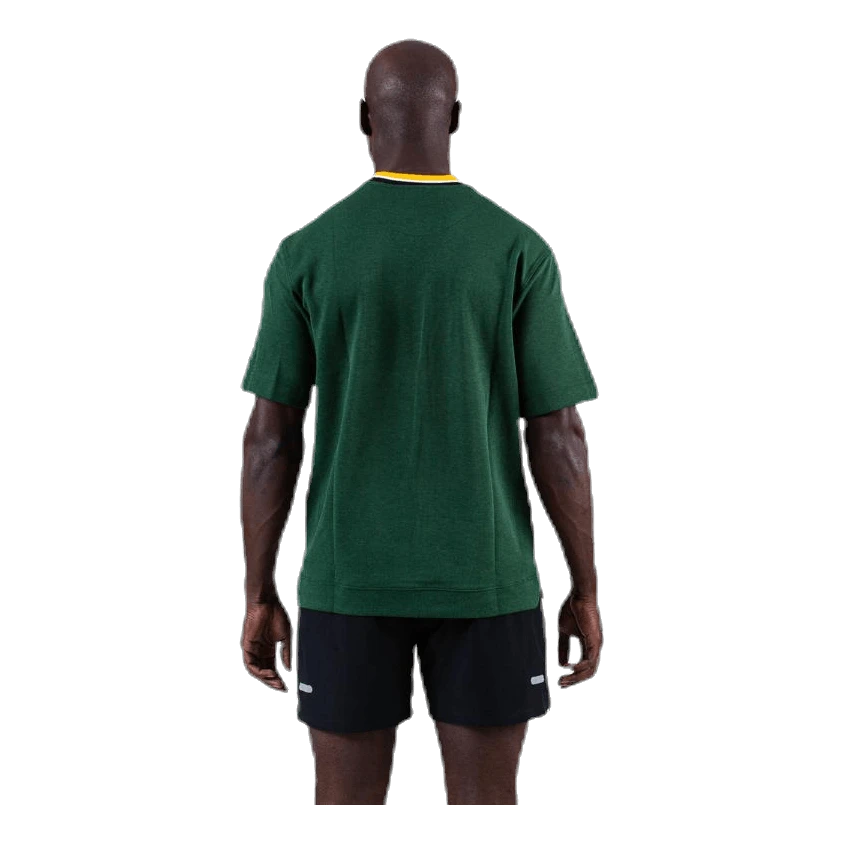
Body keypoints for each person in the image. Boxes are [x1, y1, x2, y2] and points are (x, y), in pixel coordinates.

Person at [240, 39, 601, 808]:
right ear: (457, 118)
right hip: (486, 578)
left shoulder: (307, 251)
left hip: (346, 579)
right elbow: (560, 433)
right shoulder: (514, 247)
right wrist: (584, 585)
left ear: (360, 118)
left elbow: (270, 438)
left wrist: (258, 590)